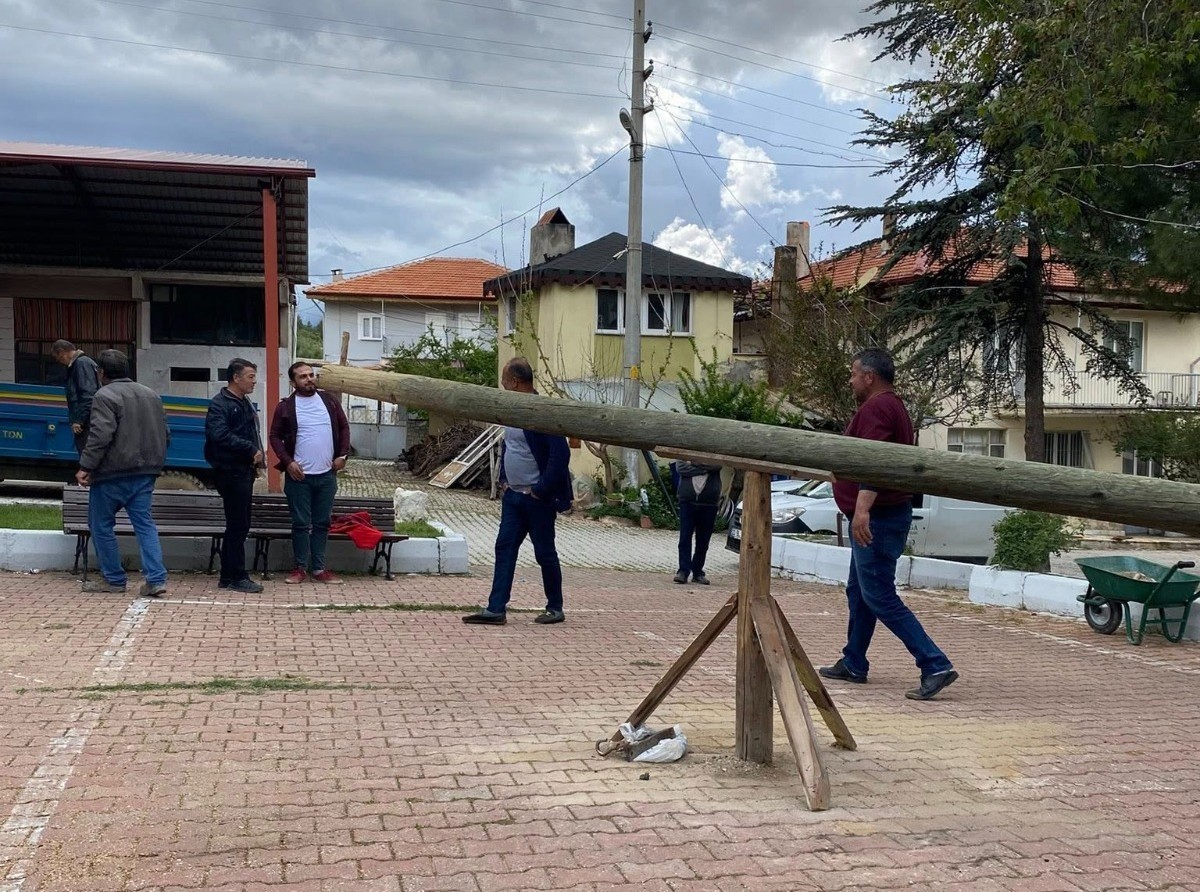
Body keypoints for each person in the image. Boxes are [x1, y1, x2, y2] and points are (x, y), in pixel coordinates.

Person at [818, 348, 959, 701]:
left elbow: (875, 460)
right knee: (860, 592)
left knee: (879, 595)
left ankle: (934, 663)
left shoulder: (879, 406)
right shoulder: (890, 404)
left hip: (877, 517)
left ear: (869, 376)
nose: (850, 381)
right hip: (880, 514)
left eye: (853, 374)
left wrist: (862, 509)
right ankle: (853, 662)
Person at [463, 357, 572, 626]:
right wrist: (502, 479)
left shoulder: (542, 412)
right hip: (513, 496)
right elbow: (509, 448)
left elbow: (560, 455)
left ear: (515, 381)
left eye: (504, 381)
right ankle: (495, 608)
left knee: (544, 552)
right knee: (504, 547)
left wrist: (541, 490)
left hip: (537, 499)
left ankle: (555, 607)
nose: (502, 385)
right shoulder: (512, 412)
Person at [75, 349, 170, 598]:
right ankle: (156, 579)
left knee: (101, 525)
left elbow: (100, 435)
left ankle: (114, 579)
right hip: (145, 471)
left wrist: (86, 466)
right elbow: (165, 434)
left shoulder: (104, 395)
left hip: (112, 473)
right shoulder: (151, 395)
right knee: (145, 524)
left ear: (101, 372)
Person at [269, 361, 351, 585]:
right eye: (303, 376)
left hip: (326, 475)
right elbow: (274, 436)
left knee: (322, 522)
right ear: (293, 381)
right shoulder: (286, 407)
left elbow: (344, 427)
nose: (309, 379)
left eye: (311, 375)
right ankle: (299, 568)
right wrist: (287, 462)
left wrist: (342, 455)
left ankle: (319, 569)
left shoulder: (329, 401)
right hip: (299, 477)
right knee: (300, 523)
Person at [204, 358, 266, 594]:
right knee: (238, 525)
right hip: (230, 471)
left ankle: (228, 575)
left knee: (239, 524)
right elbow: (218, 434)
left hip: (244, 470)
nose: (254, 381)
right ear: (235, 378)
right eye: (250, 376)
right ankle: (236, 576)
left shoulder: (244, 402)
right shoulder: (220, 404)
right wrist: (249, 449)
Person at [674, 460, 722, 585]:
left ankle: (698, 572)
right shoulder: (685, 450)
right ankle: (683, 571)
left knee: (703, 541)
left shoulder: (713, 451)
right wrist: (705, 468)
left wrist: (692, 463)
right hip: (687, 501)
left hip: (709, 503)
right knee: (685, 538)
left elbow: (716, 465)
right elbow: (680, 467)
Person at [51, 339, 101, 455]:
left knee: (86, 454)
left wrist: (79, 420)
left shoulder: (80, 364)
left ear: (62, 352)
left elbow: (87, 394)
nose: (58, 361)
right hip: (89, 418)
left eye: (57, 357)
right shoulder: (83, 363)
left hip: (87, 420)